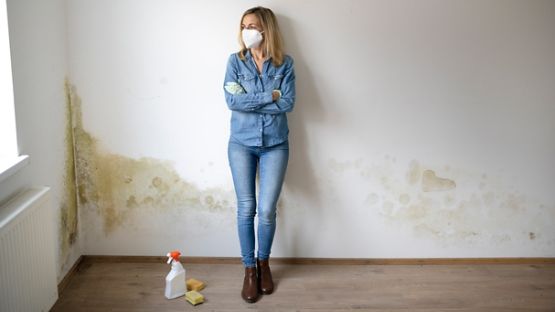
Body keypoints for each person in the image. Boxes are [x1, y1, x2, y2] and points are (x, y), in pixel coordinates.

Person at [223, 6, 295, 303]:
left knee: (266, 210)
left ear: (266, 28)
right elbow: (232, 101)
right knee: (246, 208)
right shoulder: (235, 62)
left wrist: (252, 99)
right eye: (243, 26)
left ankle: (264, 264)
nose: (246, 31)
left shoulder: (285, 64)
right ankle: (249, 270)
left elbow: (288, 102)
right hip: (241, 143)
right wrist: (270, 96)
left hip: (275, 144)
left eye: (251, 25)